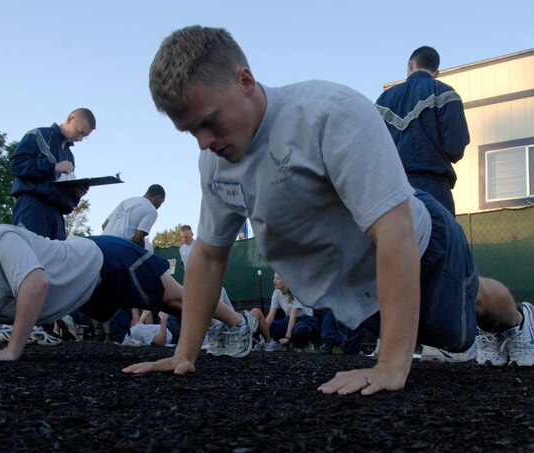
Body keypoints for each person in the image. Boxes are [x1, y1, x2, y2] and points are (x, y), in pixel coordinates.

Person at [123, 26, 534, 395]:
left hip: (422, 249)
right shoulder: (215, 164)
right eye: (191, 130)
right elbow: (210, 256)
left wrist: (391, 363)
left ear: (245, 81)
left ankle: (518, 320)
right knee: (441, 324)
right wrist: (185, 353)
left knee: (467, 317)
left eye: (210, 121)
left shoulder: (328, 114)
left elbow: (395, 232)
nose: (203, 141)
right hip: (362, 289)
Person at [0, 225, 257, 361]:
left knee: (174, 299)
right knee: (173, 306)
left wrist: (12, 349)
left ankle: (238, 325)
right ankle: (220, 328)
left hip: (106, 260)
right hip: (87, 290)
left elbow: (36, 282)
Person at [375, 46, 469, 215]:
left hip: (393, 191)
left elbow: (373, 149)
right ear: (436, 72)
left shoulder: (383, 100)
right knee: (438, 239)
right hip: (435, 189)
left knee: (397, 241)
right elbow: (455, 148)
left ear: (411, 65)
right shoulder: (446, 93)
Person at [10, 108, 96, 241]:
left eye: (85, 136)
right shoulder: (38, 135)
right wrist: (53, 167)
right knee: (29, 256)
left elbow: (66, 204)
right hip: (32, 207)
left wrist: (76, 195)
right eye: (80, 132)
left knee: (57, 259)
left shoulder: (69, 156)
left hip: (56, 216)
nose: (80, 138)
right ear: (70, 119)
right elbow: (17, 164)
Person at [265, 273, 321, 351]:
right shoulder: (276, 292)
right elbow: (271, 316)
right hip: (288, 320)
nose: (274, 281)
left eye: (278, 278)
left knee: (299, 330)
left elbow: (293, 317)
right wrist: (262, 333)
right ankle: (278, 344)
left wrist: (287, 338)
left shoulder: (297, 291)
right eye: (274, 278)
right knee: (266, 327)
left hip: (305, 320)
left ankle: (309, 346)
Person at [101, 184, 166, 248]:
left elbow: (104, 226)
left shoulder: (126, 201)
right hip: (118, 246)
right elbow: (138, 238)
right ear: (157, 197)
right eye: (161, 202)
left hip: (101, 241)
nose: (159, 206)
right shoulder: (151, 210)